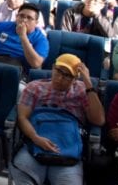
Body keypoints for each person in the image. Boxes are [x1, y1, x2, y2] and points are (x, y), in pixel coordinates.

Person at [9, 54, 104, 185]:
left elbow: (99, 120)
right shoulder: (34, 87)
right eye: (58, 71)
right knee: (23, 173)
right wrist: (35, 138)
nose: (60, 78)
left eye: (67, 75)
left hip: (67, 149)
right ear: (53, 68)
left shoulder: (83, 90)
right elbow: (22, 117)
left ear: (76, 78)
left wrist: (88, 82)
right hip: (35, 143)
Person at [0, 2, 49, 72]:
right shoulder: (1, 26)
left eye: (29, 18)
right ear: (16, 17)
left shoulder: (41, 39)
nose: (24, 20)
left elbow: (36, 63)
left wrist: (23, 36)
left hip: (17, 69)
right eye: (21, 16)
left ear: (36, 23)